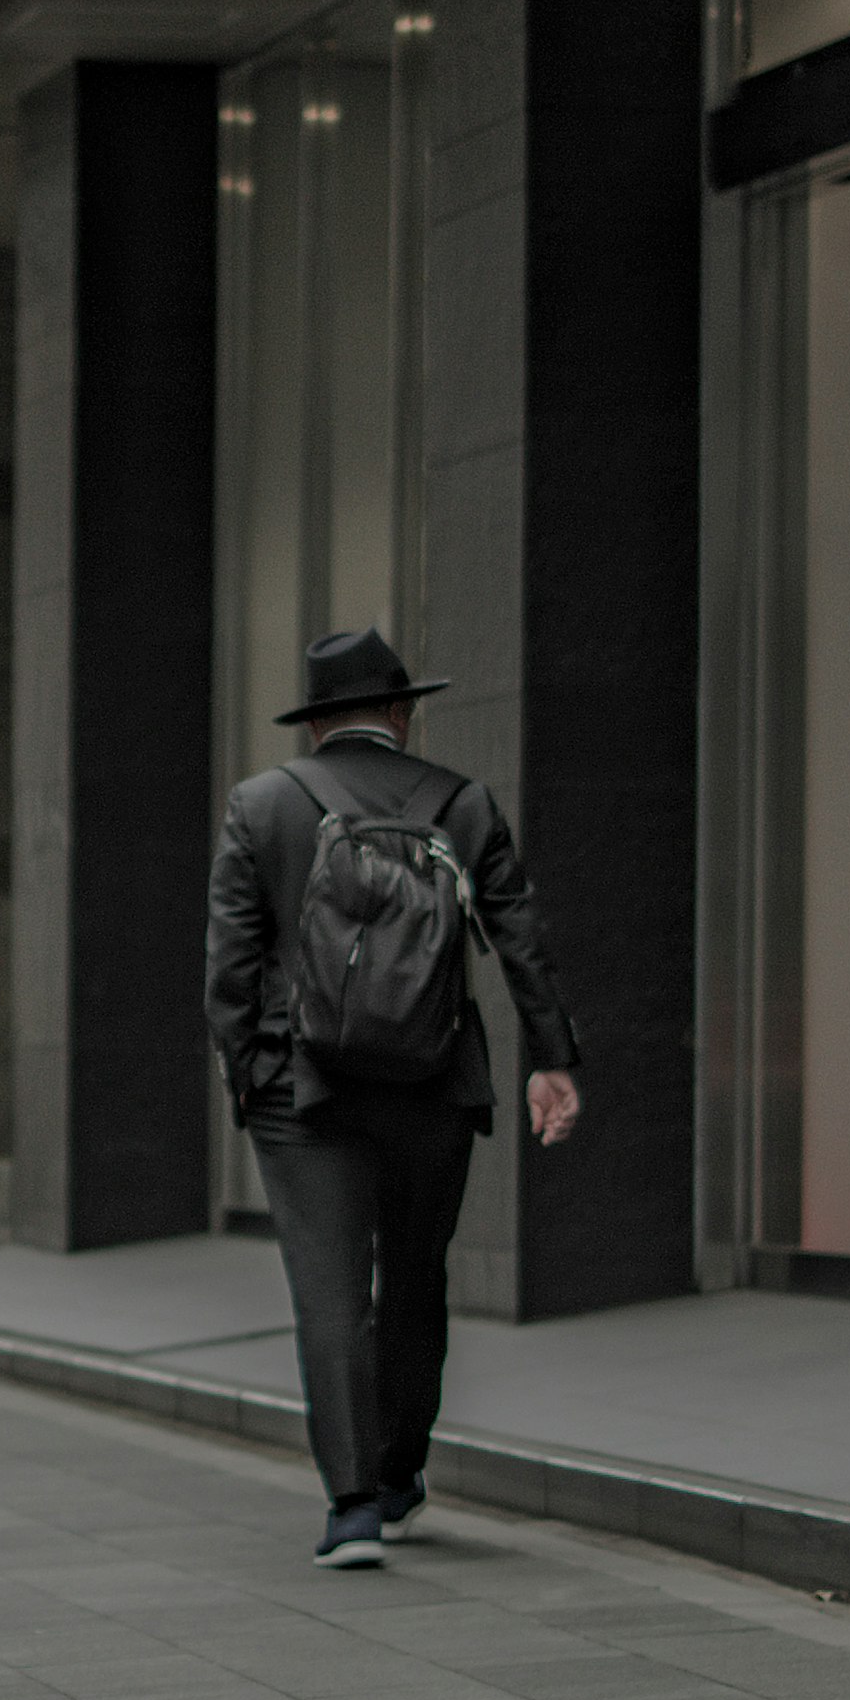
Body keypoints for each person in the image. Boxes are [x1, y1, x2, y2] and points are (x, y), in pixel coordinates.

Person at [205, 628, 583, 1571]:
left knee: (330, 1296)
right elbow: (521, 939)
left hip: (306, 1090)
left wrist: (250, 1074)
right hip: (435, 1080)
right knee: (415, 1282)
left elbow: (231, 966)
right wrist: (552, 1059)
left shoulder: (262, 806)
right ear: (402, 713)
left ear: (317, 720)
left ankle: (352, 1508)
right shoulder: (463, 802)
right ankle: (402, 1470)